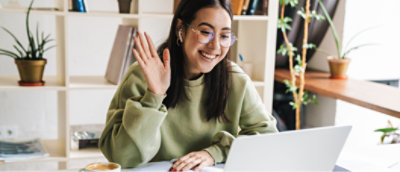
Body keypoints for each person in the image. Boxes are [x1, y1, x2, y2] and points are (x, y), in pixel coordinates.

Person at [99, 0, 278, 171]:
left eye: (224, 36)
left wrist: (215, 153)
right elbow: (122, 157)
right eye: (205, 32)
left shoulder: (235, 80)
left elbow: (268, 138)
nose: (215, 47)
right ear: (181, 29)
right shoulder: (142, 75)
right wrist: (154, 95)